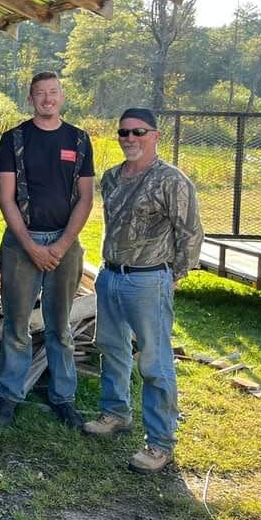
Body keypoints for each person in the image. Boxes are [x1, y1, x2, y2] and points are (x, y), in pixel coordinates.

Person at [84, 108, 203, 474]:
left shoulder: (172, 180)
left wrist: (173, 276)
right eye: (124, 132)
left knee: (154, 362)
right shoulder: (112, 177)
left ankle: (160, 442)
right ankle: (116, 413)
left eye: (138, 132)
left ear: (155, 135)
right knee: (112, 348)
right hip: (111, 276)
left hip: (149, 279)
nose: (130, 139)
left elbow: (190, 234)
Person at [0, 72, 94, 429]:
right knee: (16, 324)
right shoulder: (13, 139)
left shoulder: (78, 140)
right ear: (30, 98)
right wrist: (31, 245)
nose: (47, 99)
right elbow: (6, 198)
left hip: (65, 242)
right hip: (22, 244)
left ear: (62, 96)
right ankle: (10, 394)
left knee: (59, 325)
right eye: (40, 94)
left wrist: (62, 244)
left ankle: (63, 396)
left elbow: (86, 198)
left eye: (53, 93)